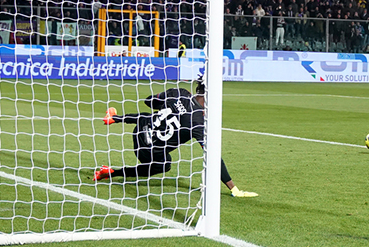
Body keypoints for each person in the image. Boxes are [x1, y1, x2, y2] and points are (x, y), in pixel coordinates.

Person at [94, 80, 257, 197]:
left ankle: (114, 118)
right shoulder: (198, 124)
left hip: (139, 132)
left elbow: (149, 101)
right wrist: (233, 188)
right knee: (165, 164)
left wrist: (169, 103)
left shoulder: (181, 93)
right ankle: (112, 173)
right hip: (148, 152)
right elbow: (213, 157)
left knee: (151, 117)